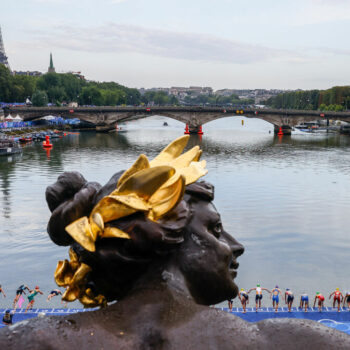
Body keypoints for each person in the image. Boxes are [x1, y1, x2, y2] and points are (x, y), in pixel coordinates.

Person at [1, 136, 350, 349]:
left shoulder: (30, 341)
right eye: (214, 230)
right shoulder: (293, 342)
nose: (236, 245)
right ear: (164, 238)